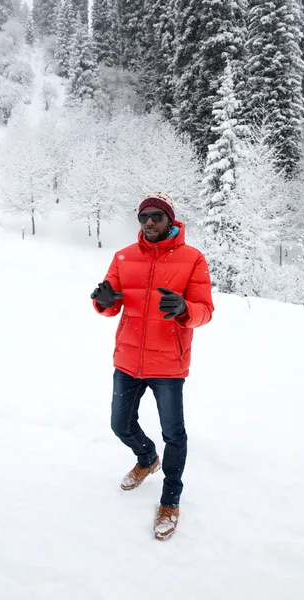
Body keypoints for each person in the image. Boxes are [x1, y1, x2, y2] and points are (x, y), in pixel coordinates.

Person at [91, 192, 214, 541]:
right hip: (128, 360)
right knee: (120, 424)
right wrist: (102, 302)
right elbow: (111, 301)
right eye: (143, 215)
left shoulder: (193, 259)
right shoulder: (123, 257)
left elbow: (205, 310)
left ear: (170, 220)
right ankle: (147, 458)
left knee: (174, 434)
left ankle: (170, 501)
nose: (149, 221)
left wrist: (185, 309)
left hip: (168, 365)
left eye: (157, 216)